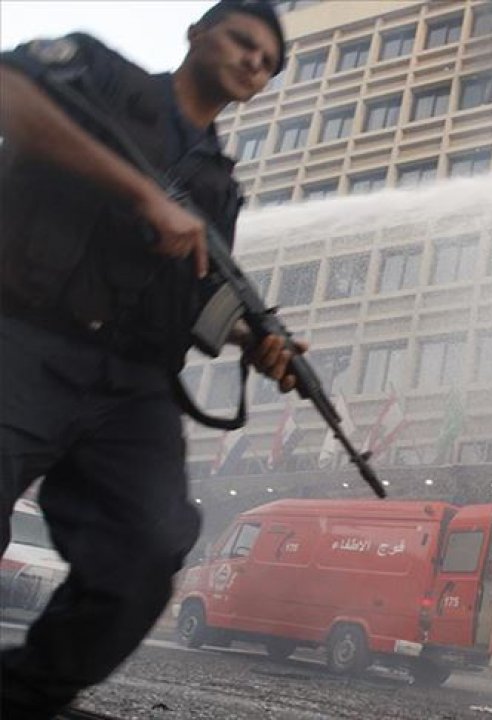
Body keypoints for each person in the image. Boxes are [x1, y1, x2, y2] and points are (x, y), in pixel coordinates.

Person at [0, 3, 300, 717]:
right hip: (25, 332)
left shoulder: (220, 185)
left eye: (268, 62)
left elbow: (192, 296)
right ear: (197, 33)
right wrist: (141, 193)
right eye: (243, 41)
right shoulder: (102, 73)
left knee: (150, 546)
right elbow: (10, 95)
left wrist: (253, 343)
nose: (254, 61)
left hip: (131, 383)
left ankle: (23, 697)